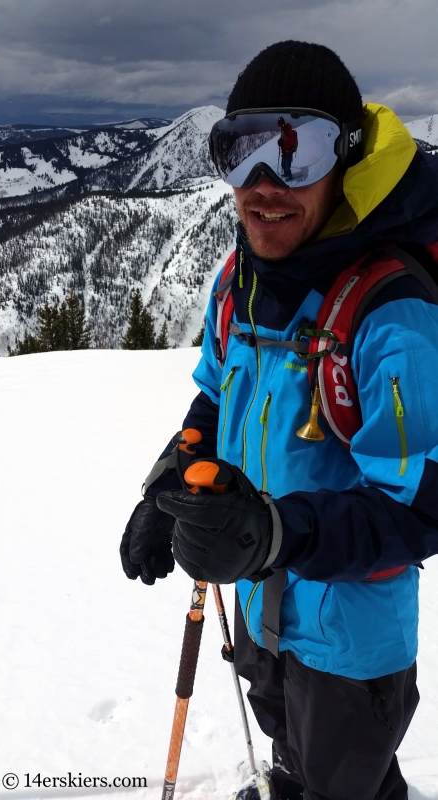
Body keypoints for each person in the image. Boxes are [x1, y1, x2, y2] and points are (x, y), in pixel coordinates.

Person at [120, 40, 438, 800]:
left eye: (299, 153)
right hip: (262, 601)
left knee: (347, 778)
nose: (263, 185)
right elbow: (216, 399)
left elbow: (419, 507)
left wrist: (271, 533)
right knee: (290, 745)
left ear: (347, 160)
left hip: (351, 640)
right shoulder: (241, 280)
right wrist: (170, 485)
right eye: (241, 154)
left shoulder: (390, 314)